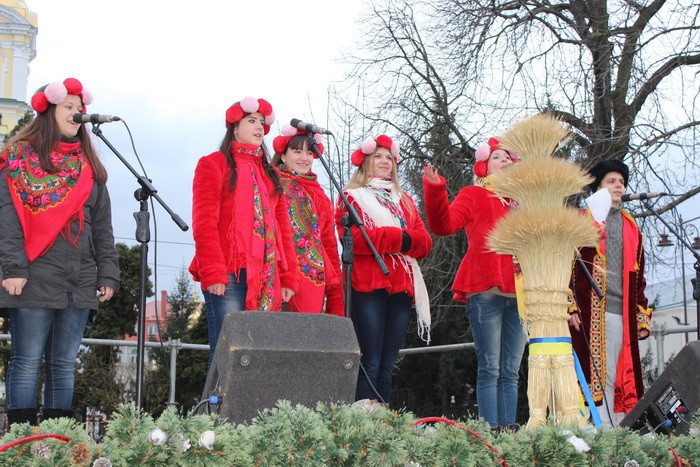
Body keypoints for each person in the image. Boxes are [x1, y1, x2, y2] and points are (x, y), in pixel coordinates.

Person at [0, 78, 120, 426]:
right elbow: (7, 222)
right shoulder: (18, 160)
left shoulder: (89, 167)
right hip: (32, 275)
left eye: (78, 108)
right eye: (67, 106)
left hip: (79, 279)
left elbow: (102, 227)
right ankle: (21, 443)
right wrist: (12, 269)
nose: (76, 113)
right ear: (48, 110)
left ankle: (56, 442)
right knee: (26, 360)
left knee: (64, 364)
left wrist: (108, 272)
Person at [422, 137, 527, 429]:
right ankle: (490, 432)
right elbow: (443, 226)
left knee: (511, 370)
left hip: (519, 291)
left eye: (508, 157)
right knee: (490, 367)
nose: (504, 161)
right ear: (483, 166)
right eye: (497, 157)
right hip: (485, 289)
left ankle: (509, 433)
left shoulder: (522, 202)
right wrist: (435, 190)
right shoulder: (473, 194)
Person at [189, 97, 298, 366]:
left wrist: (288, 277)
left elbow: (283, 230)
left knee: (258, 352)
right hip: (227, 272)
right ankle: (217, 409)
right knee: (227, 351)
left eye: (262, 122)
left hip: (265, 275)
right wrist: (213, 271)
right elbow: (204, 222)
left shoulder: (270, 174)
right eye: (251, 120)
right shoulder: (214, 163)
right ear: (234, 127)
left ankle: (252, 409)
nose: (259, 127)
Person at [336, 135, 432, 407]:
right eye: (378, 156)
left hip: (401, 285)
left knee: (388, 363)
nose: (384, 161)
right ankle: (363, 421)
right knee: (371, 359)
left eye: (389, 157)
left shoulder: (404, 200)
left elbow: (425, 243)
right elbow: (355, 240)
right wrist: (401, 239)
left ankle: (382, 420)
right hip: (368, 285)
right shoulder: (351, 197)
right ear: (365, 161)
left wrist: (396, 240)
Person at [569, 159, 652, 427]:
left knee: (621, 374)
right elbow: (566, 268)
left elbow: (638, 278)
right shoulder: (582, 220)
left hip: (622, 312)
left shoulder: (631, 226)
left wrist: (641, 315)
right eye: (611, 181)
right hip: (590, 311)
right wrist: (569, 306)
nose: (619, 186)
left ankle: (622, 428)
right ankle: (600, 429)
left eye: (622, 182)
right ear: (599, 188)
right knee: (597, 373)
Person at [270, 125, 343, 316]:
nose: (304, 158)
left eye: (309, 152)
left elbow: (328, 243)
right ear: (283, 155)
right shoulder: (271, 184)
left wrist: (335, 291)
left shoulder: (319, 194)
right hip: (278, 276)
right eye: (297, 151)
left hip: (313, 280)